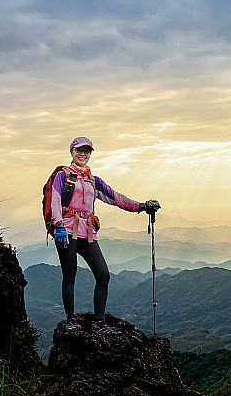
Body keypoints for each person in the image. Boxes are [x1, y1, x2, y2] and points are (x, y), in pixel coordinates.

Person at [50, 137, 159, 334]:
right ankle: (70, 320)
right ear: (71, 152)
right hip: (66, 231)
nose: (83, 154)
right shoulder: (62, 176)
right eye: (79, 150)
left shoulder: (93, 180)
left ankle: (100, 322)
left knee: (103, 275)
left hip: (88, 232)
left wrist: (143, 206)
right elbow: (55, 202)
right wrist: (57, 226)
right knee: (70, 275)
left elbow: (116, 198)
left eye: (87, 151)